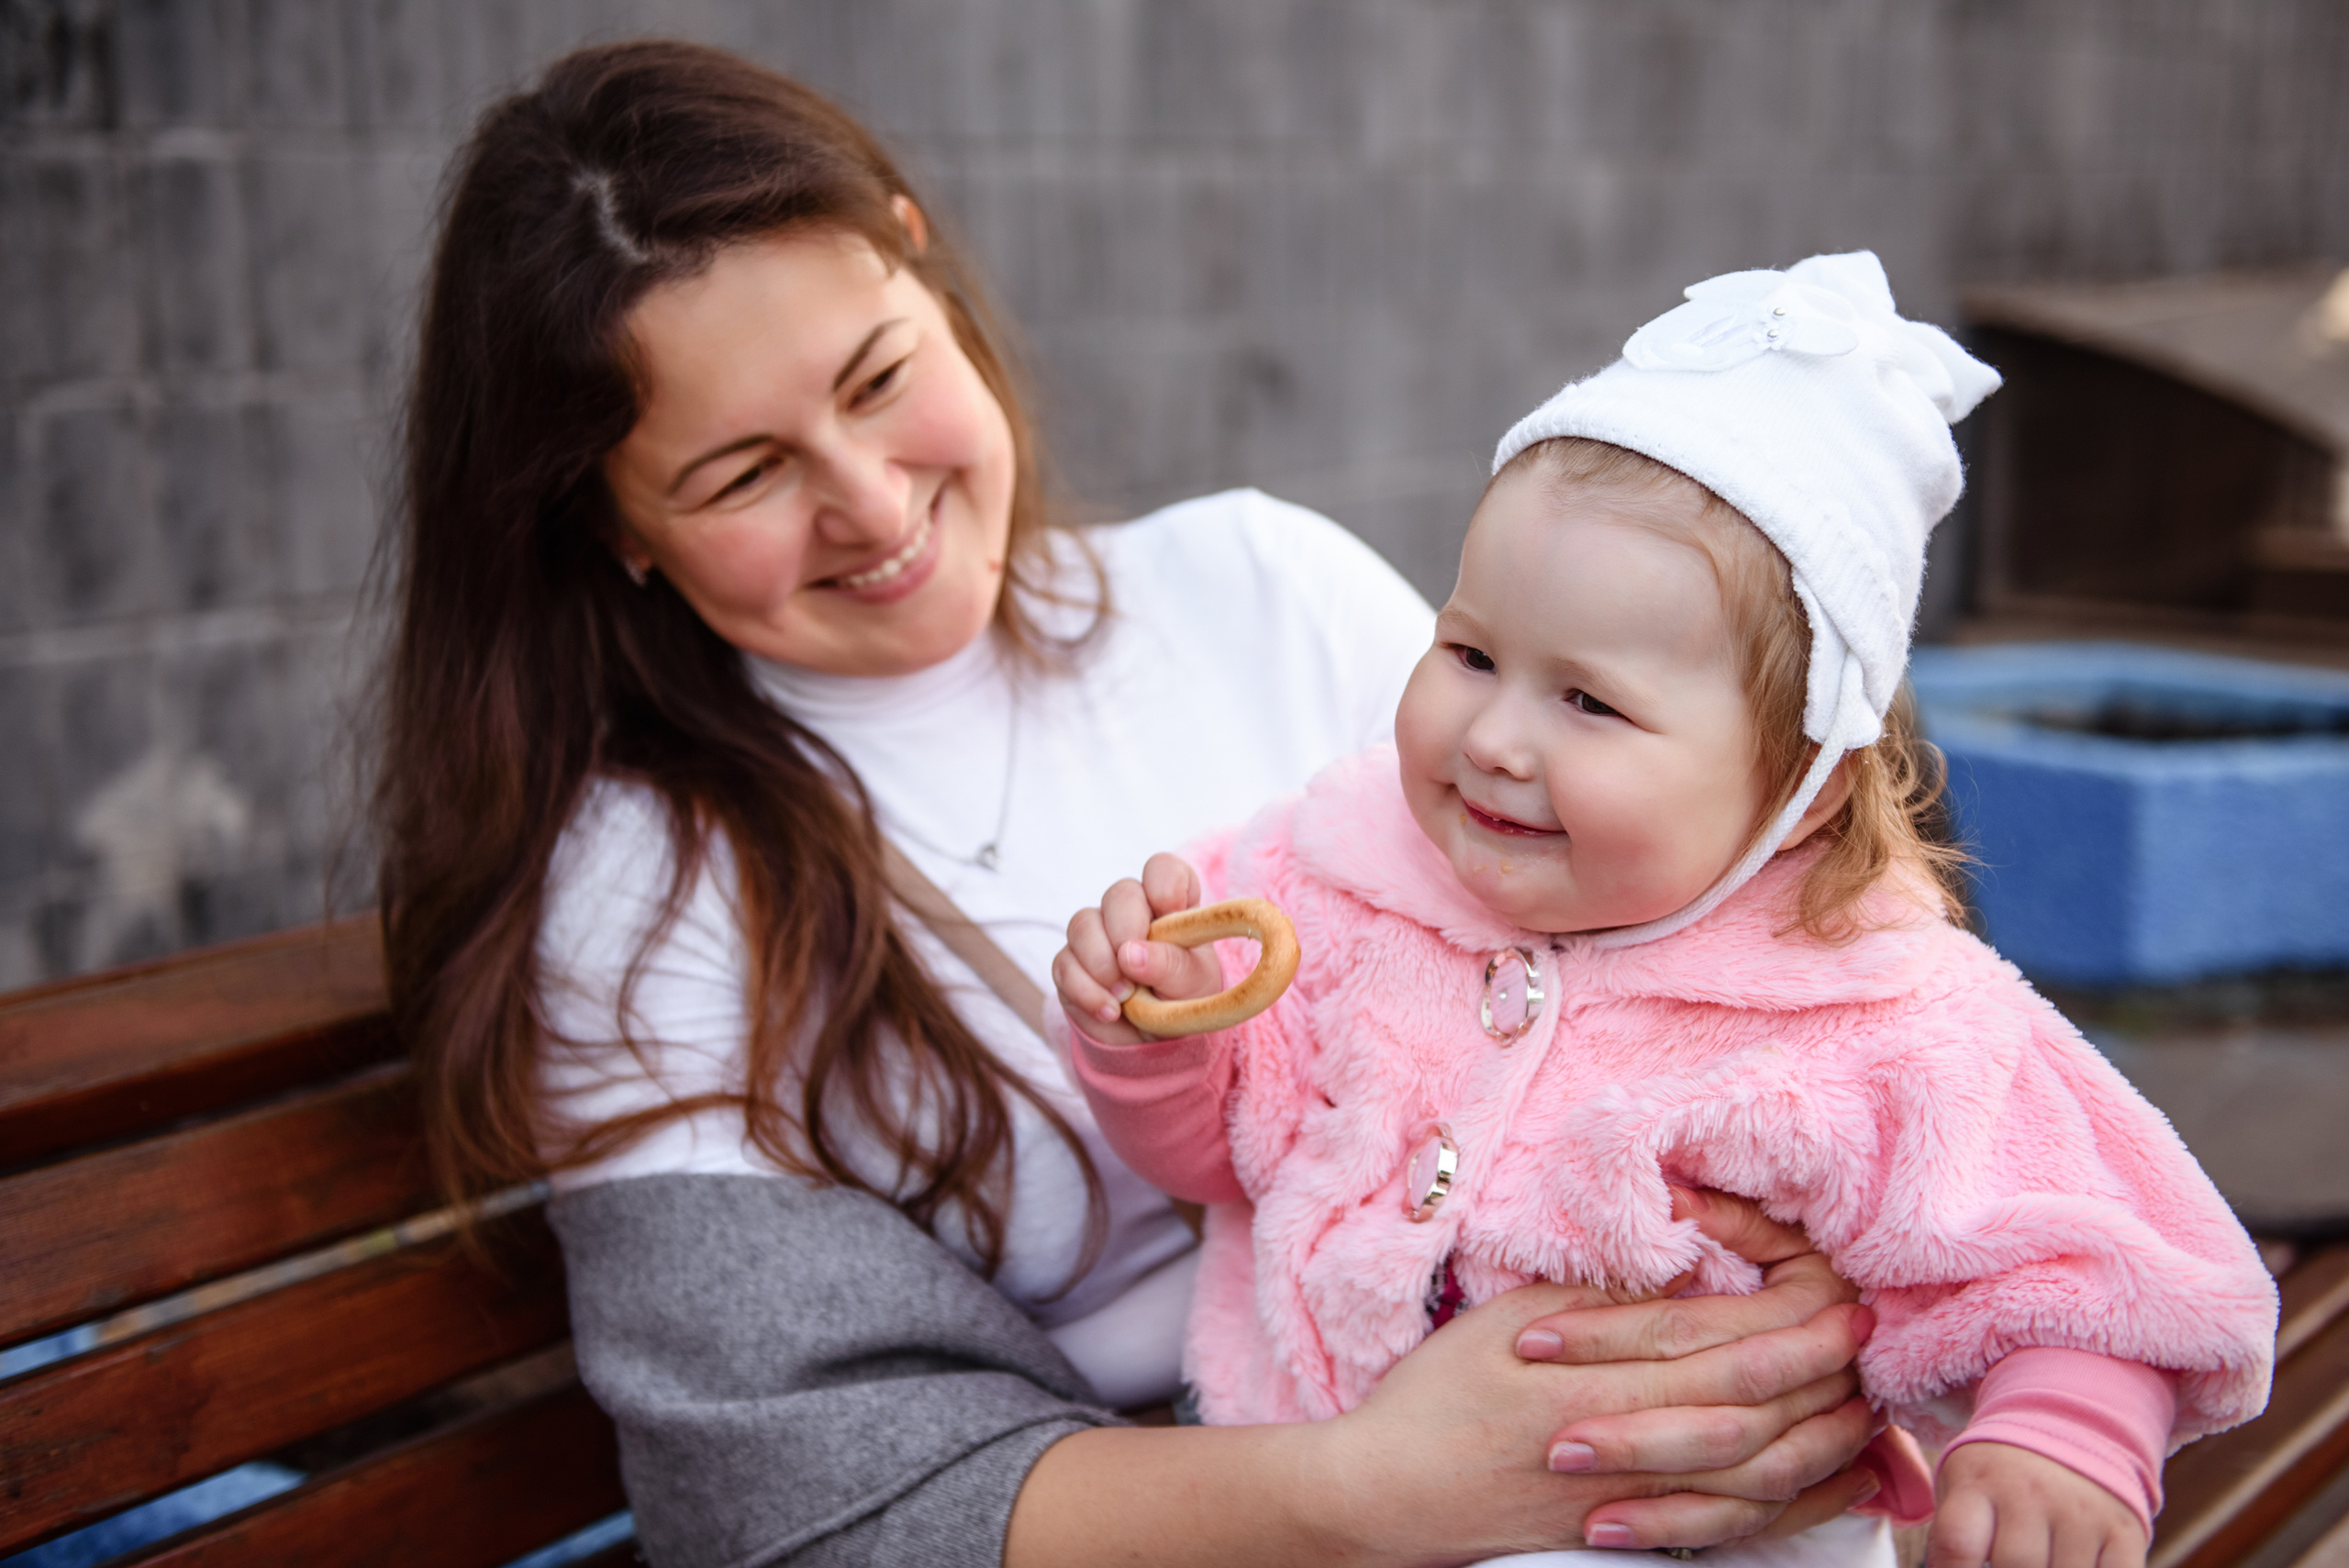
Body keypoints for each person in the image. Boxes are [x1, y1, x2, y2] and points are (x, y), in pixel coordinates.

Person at [379, 41, 1895, 1567]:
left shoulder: (1254, 587)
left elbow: (1736, 918)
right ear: (612, 523)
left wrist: (1786, 1298)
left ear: (920, 255)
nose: (874, 503)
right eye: (743, 475)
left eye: (881, 378)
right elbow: (785, 1482)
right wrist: (1381, 1486)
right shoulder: (647, 884)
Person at [1052, 253, 2280, 1567]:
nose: (1496, 739)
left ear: (1802, 793)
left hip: (1684, 1533)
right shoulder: (1335, 877)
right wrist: (1160, 1044)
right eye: (1470, 653)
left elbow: (2078, 1247)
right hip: (1315, 1505)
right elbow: (1226, 1154)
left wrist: (2060, 1439)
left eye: (1589, 701)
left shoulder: (1869, 1009)